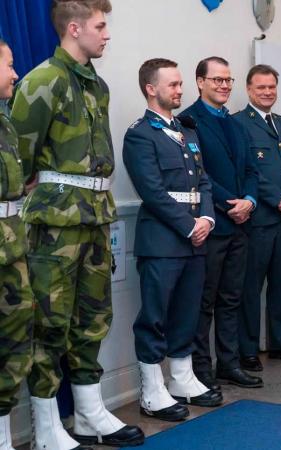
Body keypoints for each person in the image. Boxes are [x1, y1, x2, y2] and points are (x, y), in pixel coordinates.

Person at [10, 1, 144, 447]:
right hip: (54, 223)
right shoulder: (41, 82)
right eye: (100, 26)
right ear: (74, 28)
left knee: (93, 317)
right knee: (49, 323)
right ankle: (47, 427)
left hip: (96, 215)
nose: (107, 35)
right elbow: (19, 157)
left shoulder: (96, 86)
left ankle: (89, 413)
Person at [123, 58, 222, 422]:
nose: (181, 91)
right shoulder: (139, 134)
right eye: (174, 85)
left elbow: (204, 182)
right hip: (163, 240)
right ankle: (152, 391)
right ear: (151, 88)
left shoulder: (187, 130)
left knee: (187, 312)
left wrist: (208, 218)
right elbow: (152, 190)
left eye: (181, 84)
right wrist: (188, 225)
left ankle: (181, 379)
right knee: (155, 316)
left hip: (196, 238)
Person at [180, 57, 263, 391]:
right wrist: (233, 204)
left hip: (241, 226)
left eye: (228, 80)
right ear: (200, 82)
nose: (224, 86)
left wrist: (251, 201)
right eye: (217, 80)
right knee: (205, 301)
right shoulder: (188, 121)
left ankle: (228, 364)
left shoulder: (236, 124)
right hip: (212, 225)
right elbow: (201, 175)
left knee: (232, 298)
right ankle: (202, 370)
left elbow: (251, 172)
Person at [233, 64, 281, 371]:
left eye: (272, 87)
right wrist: (278, 199)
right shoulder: (238, 123)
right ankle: (247, 349)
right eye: (261, 87)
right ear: (249, 89)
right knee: (250, 287)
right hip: (259, 220)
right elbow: (249, 172)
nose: (267, 92)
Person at [0, 39, 34, 450]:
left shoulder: (6, 120)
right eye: (9, 65)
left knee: (14, 343)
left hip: (13, 248)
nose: (15, 74)